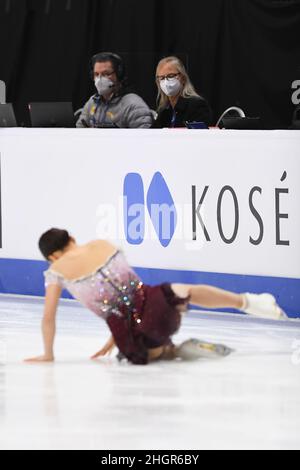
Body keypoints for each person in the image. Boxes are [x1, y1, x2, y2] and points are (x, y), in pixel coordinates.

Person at [25, 229, 286, 366]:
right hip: (160, 306)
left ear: (52, 256)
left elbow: (49, 317)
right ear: (71, 238)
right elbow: (131, 295)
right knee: (182, 290)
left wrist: (48, 353)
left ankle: (171, 351)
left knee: (146, 350)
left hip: (132, 333)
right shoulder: (104, 245)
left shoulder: (55, 271)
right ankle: (249, 302)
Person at [76, 52, 153, 129]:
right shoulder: (93, 101)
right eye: (96, 74)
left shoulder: (133, 104)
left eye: (106, 74)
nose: (99, 79)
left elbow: (144, 136)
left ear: (119, 74)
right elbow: (79, 129)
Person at [152, 56, 212, 128]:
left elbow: (200, 136)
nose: (166, 81)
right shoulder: (164, 110)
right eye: (161, 78)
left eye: (171, 76)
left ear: (183, 78)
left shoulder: (196, 105)